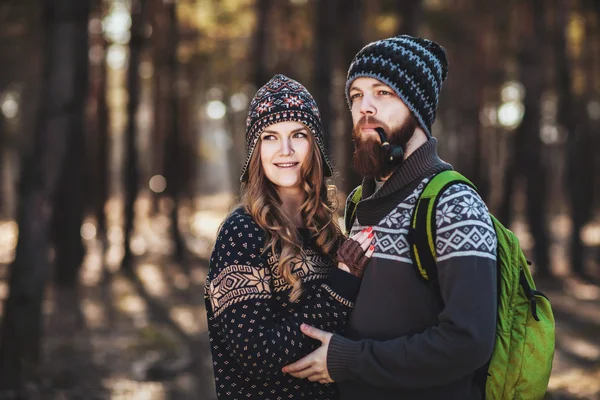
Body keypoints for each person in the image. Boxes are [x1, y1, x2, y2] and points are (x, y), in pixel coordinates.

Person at [282, 35, 498, 400]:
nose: (365, 107)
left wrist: (349, 360)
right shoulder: (359, 202)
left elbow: (468, 342)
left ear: (417, 105)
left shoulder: (453, 203)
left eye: (383, 93)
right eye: (356, 95)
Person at [204, 74, 375, 400]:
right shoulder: (241, 232)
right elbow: (256, 354)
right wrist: (340, 287)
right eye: (270, 137)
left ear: (315, 145)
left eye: (298, 134)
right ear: (256, 150)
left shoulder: (326, 233)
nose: (285, 150)